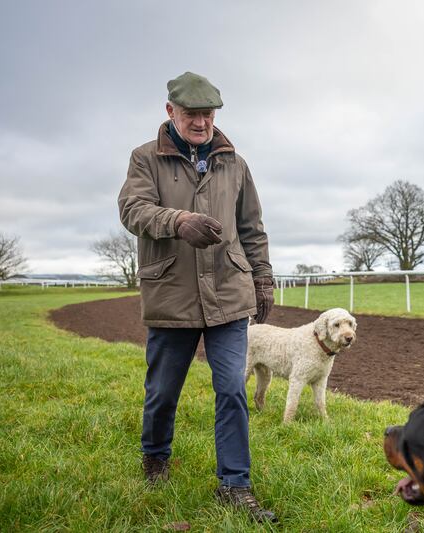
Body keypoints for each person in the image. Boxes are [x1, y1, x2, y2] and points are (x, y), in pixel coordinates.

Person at [118, 71, 277, 523]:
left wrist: (262, 277)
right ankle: (155, 457)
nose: (202, 123)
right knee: (163, 392)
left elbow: (251, 227)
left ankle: (235, 484)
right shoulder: (144, 158)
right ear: (171, 112)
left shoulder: (234, 162)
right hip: (172, 293)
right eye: (192, 114)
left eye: (208, 115)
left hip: (228, 291)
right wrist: (178, 221)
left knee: (231, 389)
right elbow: (132, 209)